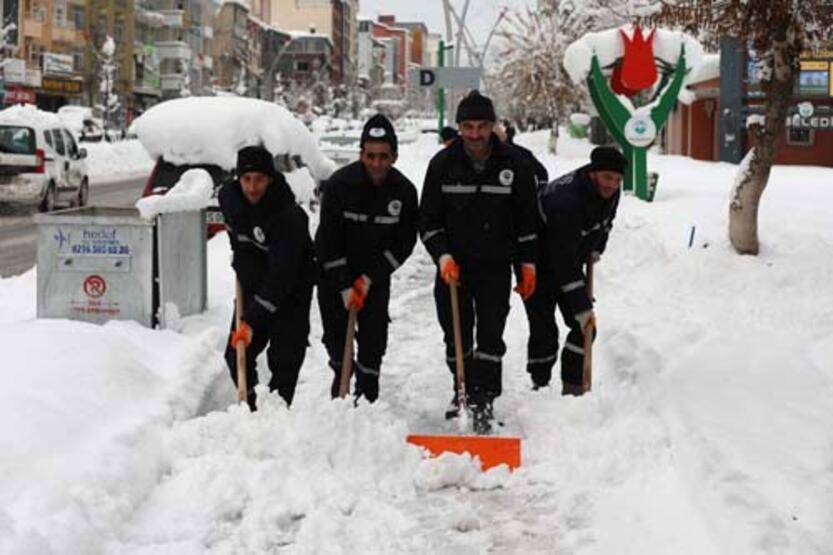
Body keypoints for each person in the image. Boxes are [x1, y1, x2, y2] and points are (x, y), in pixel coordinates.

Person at [419, 90, 539, 432]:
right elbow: (428, 220)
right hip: (453, 270)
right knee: (456, 335)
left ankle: (484, 398)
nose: (475, 134)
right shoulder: (442, 165)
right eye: (468, 126)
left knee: (490, 336)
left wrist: (527, 264)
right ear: (459, 127)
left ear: (493, 126)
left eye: (482, 126)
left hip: (495, 267)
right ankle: (461, 391)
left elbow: (526, 220)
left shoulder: (515, 164)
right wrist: (442, 256)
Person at [316, 114, 418, 403]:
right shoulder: (339, 185)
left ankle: (368, 397)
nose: (376, 163)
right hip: (334, 274)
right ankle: (341, 377)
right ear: (361, 154)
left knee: (373, 342)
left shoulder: (404, 192)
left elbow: (404, 243)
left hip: (374, 277)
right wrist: (344, 284)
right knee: (337, 340)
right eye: (370, 156)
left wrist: (369, 278)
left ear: (394, 157)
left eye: (383, 156)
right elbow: (327, 240)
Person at [219, 145, 317, 410]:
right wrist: (242, 264)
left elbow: (282, 276)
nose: (252, 188)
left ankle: (276, 416)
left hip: (292, 289)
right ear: (238, 179)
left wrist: (251, 321)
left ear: (270, 179)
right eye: (246, 179)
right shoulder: (230, 200)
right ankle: (252, 410)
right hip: (254, 283)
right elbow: (238, 241)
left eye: (260, 179)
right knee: (236, 355)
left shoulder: (288, 216)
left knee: (285, 360)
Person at [522, 146, 625, 396]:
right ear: (593, 173)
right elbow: (562, 262)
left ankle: (573, 388)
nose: (612, 185)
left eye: (617, 179)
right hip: (535, 261)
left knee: (585, 328)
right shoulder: (566, 201)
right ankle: (540, 385)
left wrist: (597, 247)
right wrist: (581, 305)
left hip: (567, 254)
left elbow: (605, 222)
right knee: (545, 329)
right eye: (607, 177)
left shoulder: (611, 191)